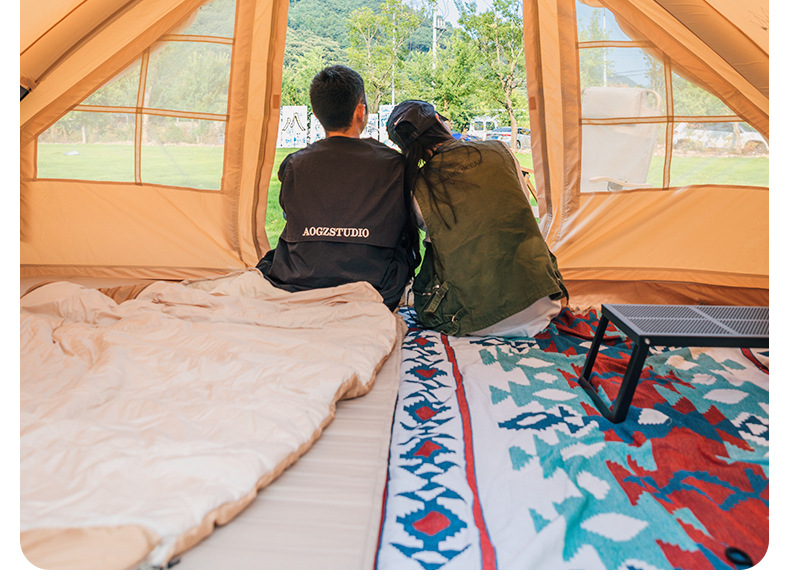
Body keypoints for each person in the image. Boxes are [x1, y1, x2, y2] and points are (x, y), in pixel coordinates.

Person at [386, 100, 568, 337]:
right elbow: (521, 204)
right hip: (542, 300)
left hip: (470, 319)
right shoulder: (500, 150)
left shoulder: (417, 188)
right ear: (439, 121)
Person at [256, 66, 420, 310]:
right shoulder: (396, 165)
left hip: (297, 279)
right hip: (379, 283)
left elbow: (290, 214)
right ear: (360, 111)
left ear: (316, 114)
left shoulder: (293, 164)